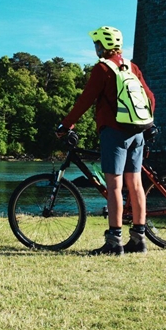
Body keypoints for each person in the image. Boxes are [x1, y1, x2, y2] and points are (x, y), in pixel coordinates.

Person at [57, 26, 155, 256]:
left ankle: (114, 242)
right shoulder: (132, 67)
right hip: (137, 133)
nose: (95, 48)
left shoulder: (102, 69)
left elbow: (86, 100)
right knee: (136, 185)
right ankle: (139, 240)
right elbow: (150, 97)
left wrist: (67, 123)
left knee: (114, 187)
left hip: (114, 132)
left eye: (96, 44)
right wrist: (148, 123)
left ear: (102, 45)